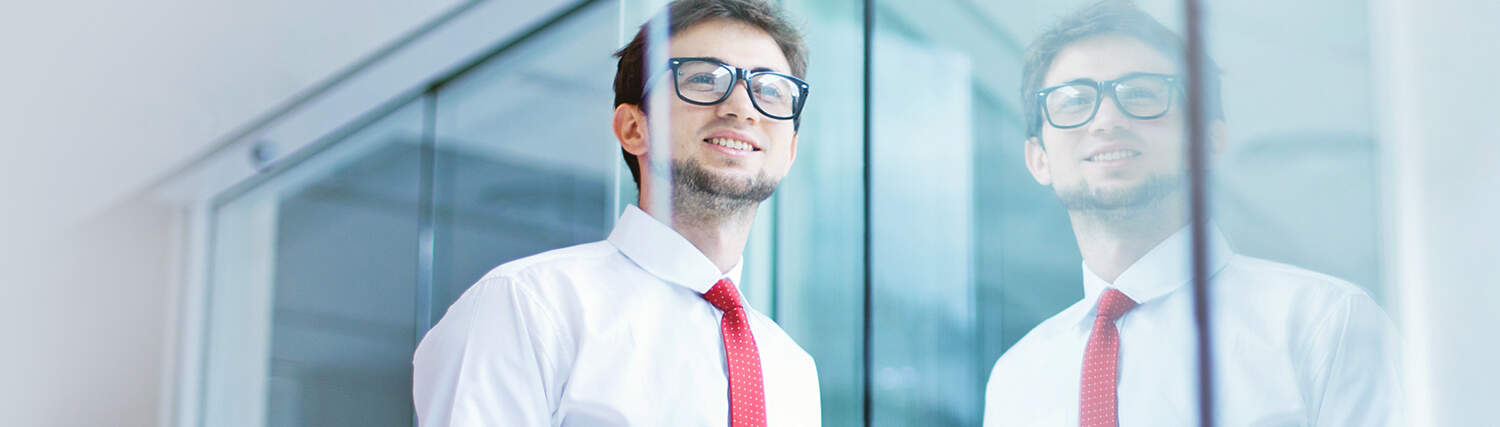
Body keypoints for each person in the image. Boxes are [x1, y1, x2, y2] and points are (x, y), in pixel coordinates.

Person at [983, 1, 1399, 426]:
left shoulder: (1324, 324)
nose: (1106, 120)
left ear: (1207, 142)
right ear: (1038, 159)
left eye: (1141, 94)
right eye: (1073, 101)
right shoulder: (1017, 377)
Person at [412, 0, 819, 425]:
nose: (743, 107)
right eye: (703, 78)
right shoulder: (529, 306)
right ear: (632, 128)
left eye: (771, 89)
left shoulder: (791, 368)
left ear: (789, 151)